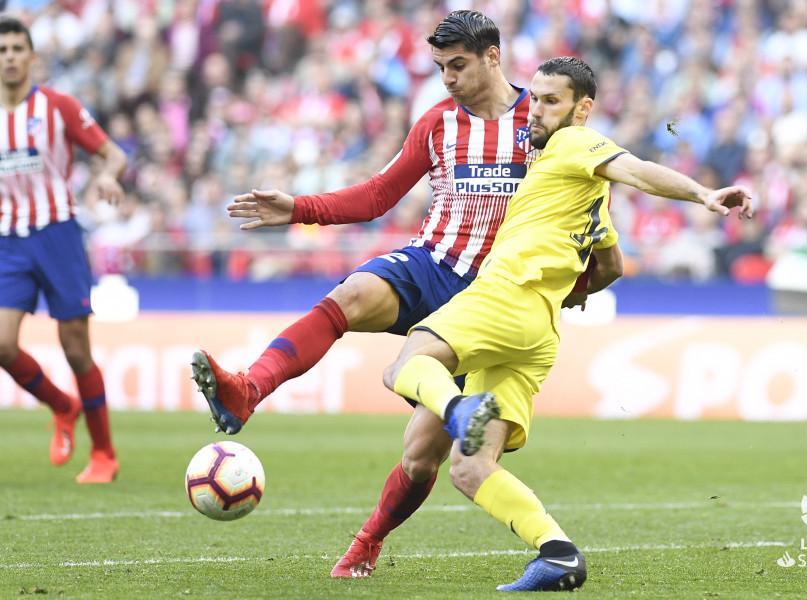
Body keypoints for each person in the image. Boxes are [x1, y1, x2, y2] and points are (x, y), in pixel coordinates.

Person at [190, 10, 623, 578]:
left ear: (493, 56)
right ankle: (248, 389)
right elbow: (379, 195)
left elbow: (587, 218)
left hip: (491, 297)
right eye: (441, 67)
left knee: (421, 458)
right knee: (348, 297)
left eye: (458, 65)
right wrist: (299, 208)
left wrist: (570, 284)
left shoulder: (544, 122)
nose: (448, 78)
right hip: (432, 263)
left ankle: (368, 542)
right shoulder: (438, 122)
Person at [382, 56, 753, 591]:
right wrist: (573, 290)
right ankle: (557, 553)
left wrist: (702, 194)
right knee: (469, 467)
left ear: (582, 109)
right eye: (533, 98)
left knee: (406, 365)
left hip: (505, 295)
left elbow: (635, 169)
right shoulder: (583, 190)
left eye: (551, 101)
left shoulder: (575, 144)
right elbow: (612, 266)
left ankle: (458, 408)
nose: (535, 110)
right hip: (537, 331)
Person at [0, 17, 127, 483]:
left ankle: (104, 454)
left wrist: (108, 175)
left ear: (32, 57)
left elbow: (114, 153)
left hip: (58, 236)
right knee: (2, 344)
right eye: (2, 50)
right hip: (8, 240)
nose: (10, 57)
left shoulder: (58, 106)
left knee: (75, 350)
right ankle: (61, 405)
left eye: (17, 48)